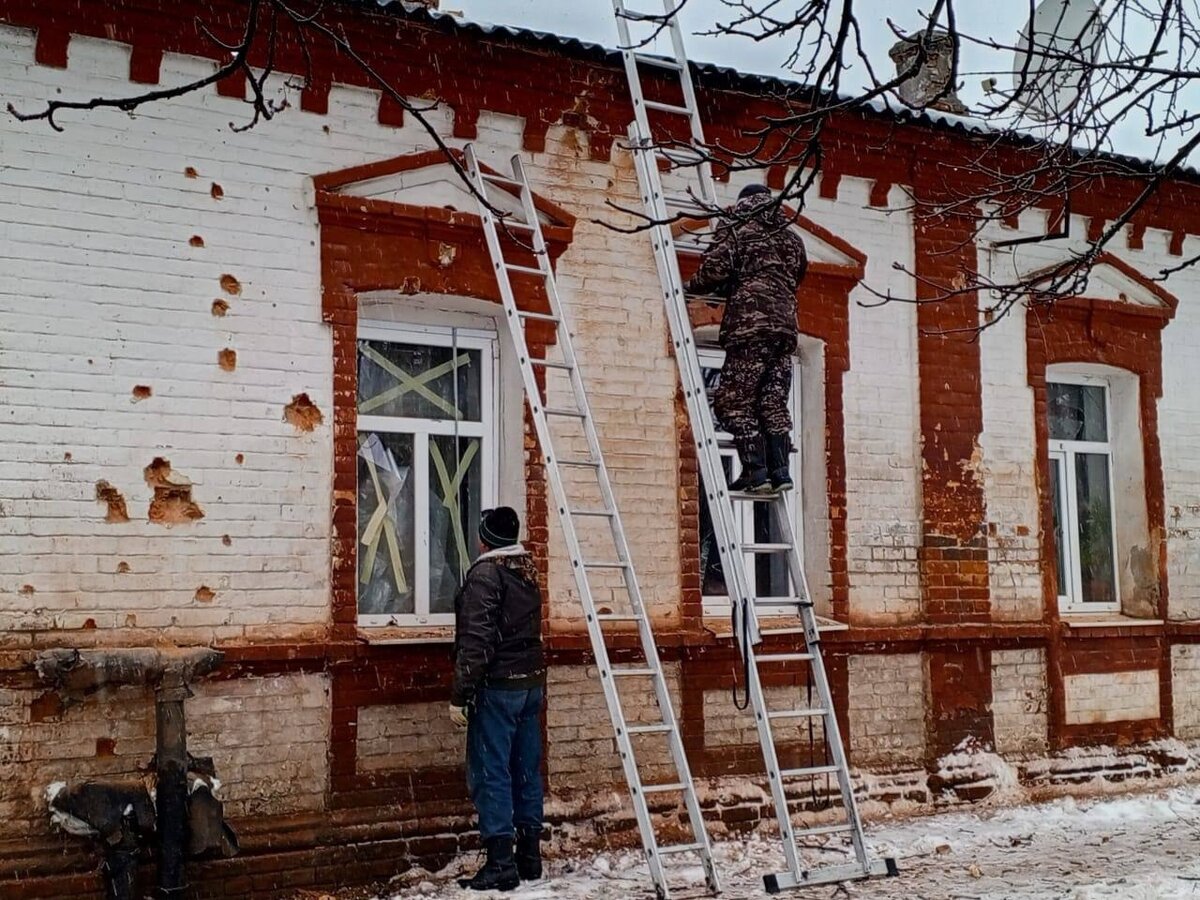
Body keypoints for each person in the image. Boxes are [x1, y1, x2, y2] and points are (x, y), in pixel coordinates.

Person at [686, 182, 808, 494]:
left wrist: (692, 287)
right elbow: (789, 276)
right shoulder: (793, 239)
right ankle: (781, 472)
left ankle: (756, 471)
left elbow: (715, 268)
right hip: (785, 331)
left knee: (732, 401)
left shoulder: (740, 230)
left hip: (751, 330)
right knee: (772, 400)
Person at [449, 506, 546, 891]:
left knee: (491, 773)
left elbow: (476, 641)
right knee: (526, 770)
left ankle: (501, 862)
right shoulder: (525, 569)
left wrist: (461, 694)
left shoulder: (486, 575)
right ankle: (530, 857)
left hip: (499, 688)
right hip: (530, 684)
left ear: (484, 538)